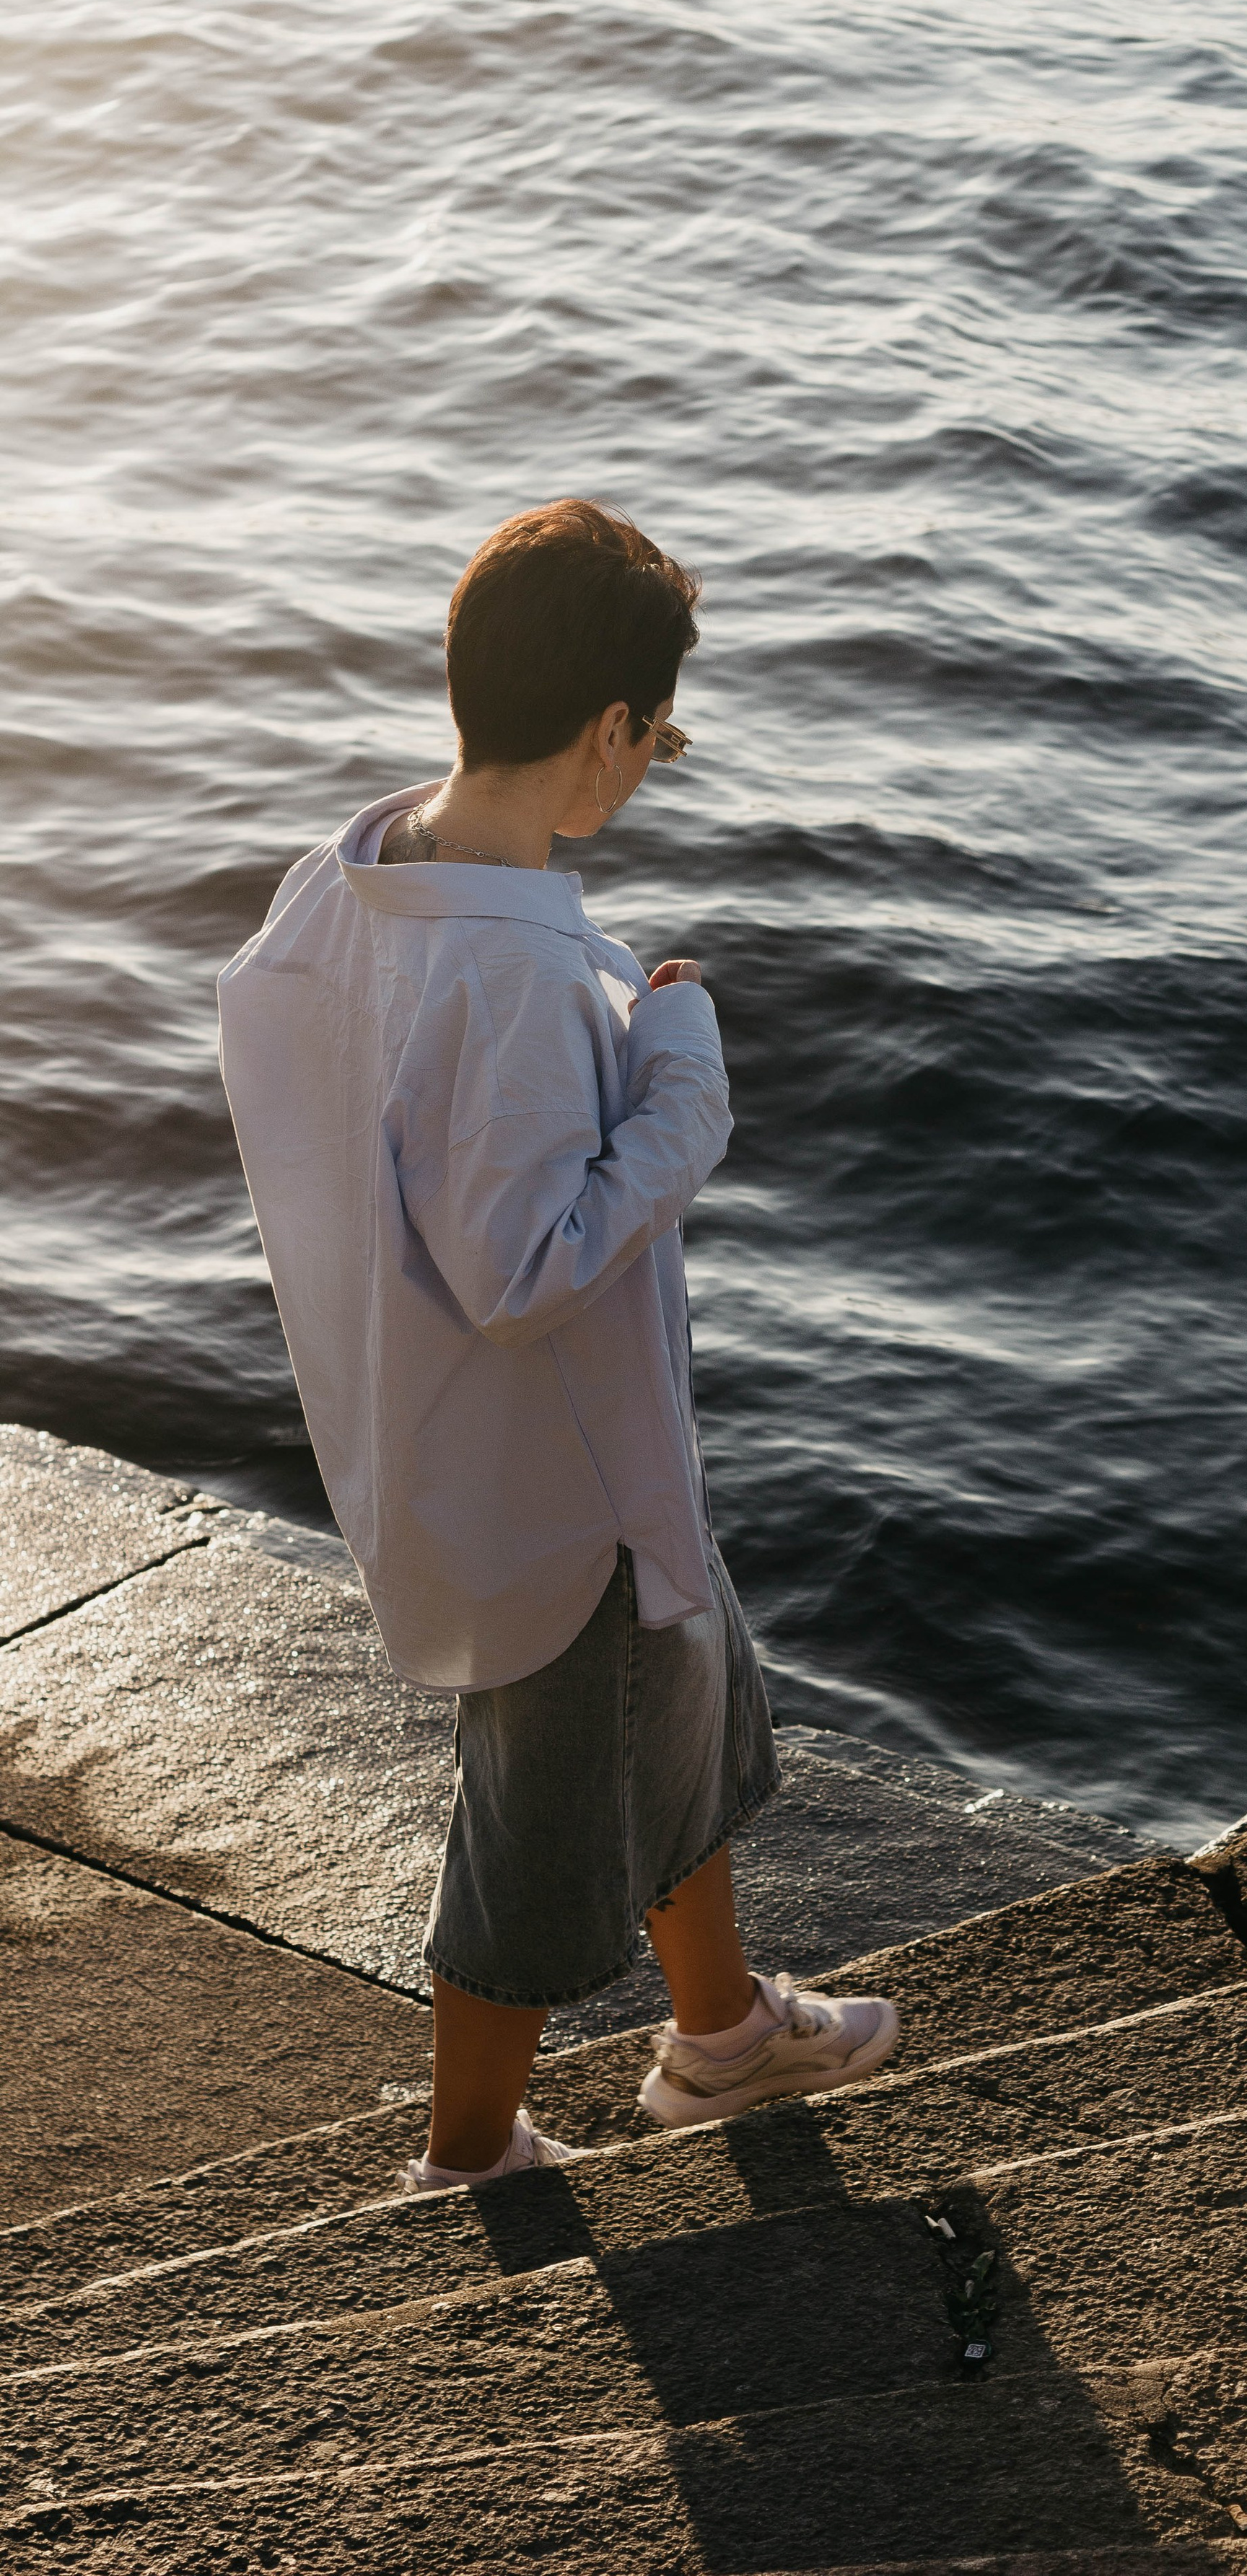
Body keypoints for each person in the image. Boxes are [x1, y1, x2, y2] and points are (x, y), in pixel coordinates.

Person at [218, 498, 897, 2187]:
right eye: (659, 737)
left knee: (688, 1701)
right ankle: (466, 2163)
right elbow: (530, 1265)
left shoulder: (352, 883)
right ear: (608, 728)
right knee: (541, 1813)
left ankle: (724, 2038)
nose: (655, 762)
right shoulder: (510, 980)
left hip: (439, 1428)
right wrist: (681, 1073)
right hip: (555, 1478)